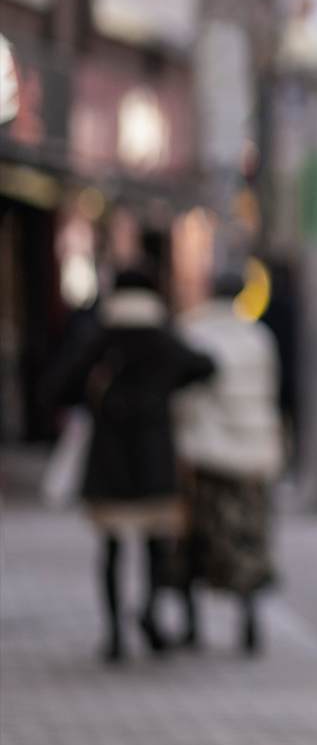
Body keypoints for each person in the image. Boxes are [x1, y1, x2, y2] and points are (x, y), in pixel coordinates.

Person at [42, 270, 215, 661]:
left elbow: (55, 388)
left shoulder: (99, 340)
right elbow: (206, 366)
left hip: (109, 459)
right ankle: (151, 617)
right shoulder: (164, 340)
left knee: (112, 548)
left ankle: (114, 633)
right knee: (156, 546)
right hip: (155, 456)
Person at [175, 271, 285, 654]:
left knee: (197, 541)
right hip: (253, 452)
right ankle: (249, 618)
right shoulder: (258, 337)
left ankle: (192, 624)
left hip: (207, 450)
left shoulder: (195, 332)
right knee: (247, 539)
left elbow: (185, 399)